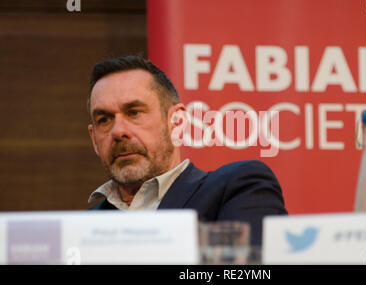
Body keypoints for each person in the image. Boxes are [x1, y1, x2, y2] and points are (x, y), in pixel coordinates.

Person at [87, 55, 288, 245]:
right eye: (104, 120)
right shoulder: (83, 228)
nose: (118, 130)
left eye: (134, 112)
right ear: (94, 139)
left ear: (177, 122)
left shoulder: (238, 188)